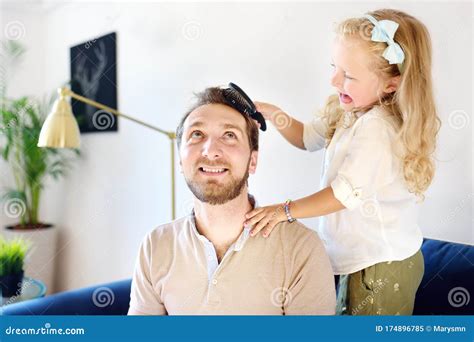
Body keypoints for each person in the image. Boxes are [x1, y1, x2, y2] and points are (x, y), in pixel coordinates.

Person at [245, 9, 440, 315]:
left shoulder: (377, 129)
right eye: (335, 67)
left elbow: (342, 193)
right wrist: (271, 113)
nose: (333, 80)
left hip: (381, 267)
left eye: (348, 75)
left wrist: (284, 211)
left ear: (391, 84)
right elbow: (307, 138)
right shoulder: (350, 110)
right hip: (358, 261)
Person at [128, 87, 336, 315]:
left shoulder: (302, 250)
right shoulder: (155, 246)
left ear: (252, 162)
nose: (211, 151)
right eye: (197, 134)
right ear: (180, 160)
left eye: (229, 135)